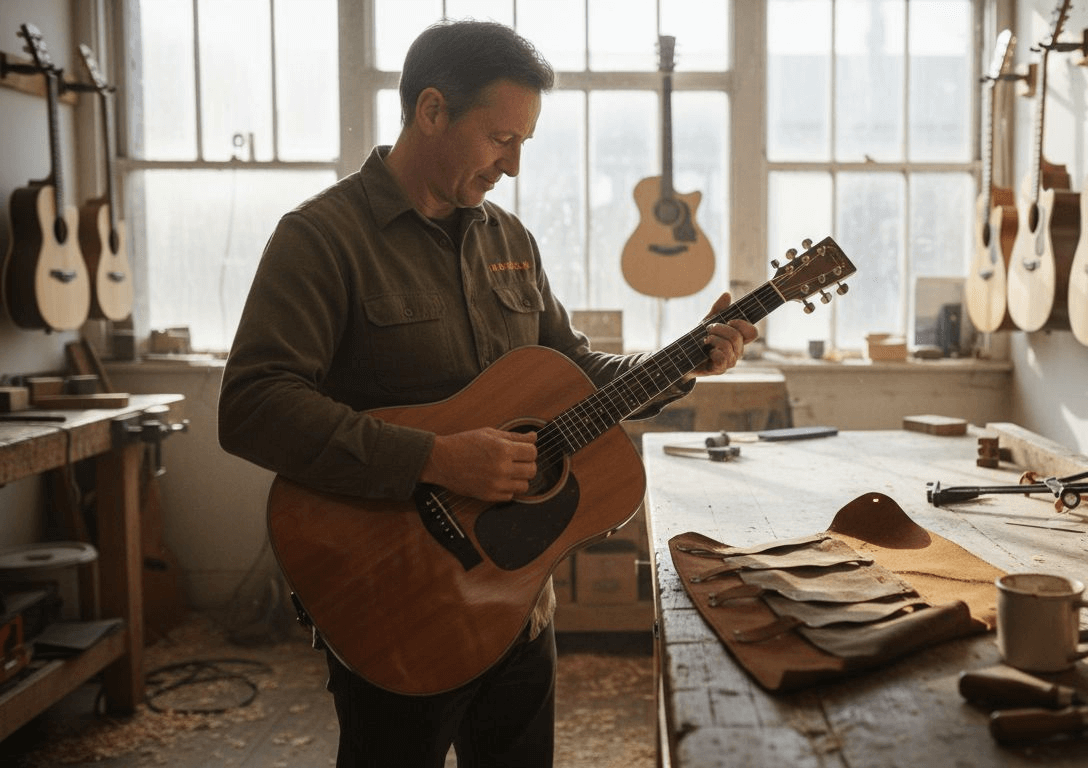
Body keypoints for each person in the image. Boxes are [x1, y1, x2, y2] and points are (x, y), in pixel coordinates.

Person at [217, 18, 757, 768]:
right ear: (431, 110)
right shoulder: (320, 238)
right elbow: (252, 406)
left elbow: (569, 373)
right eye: (502, 139)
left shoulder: (510, 241)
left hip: (518, 597)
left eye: (524, 144)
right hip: (392, 595)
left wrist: (681, 361)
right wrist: (435, 458)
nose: (513, 165)